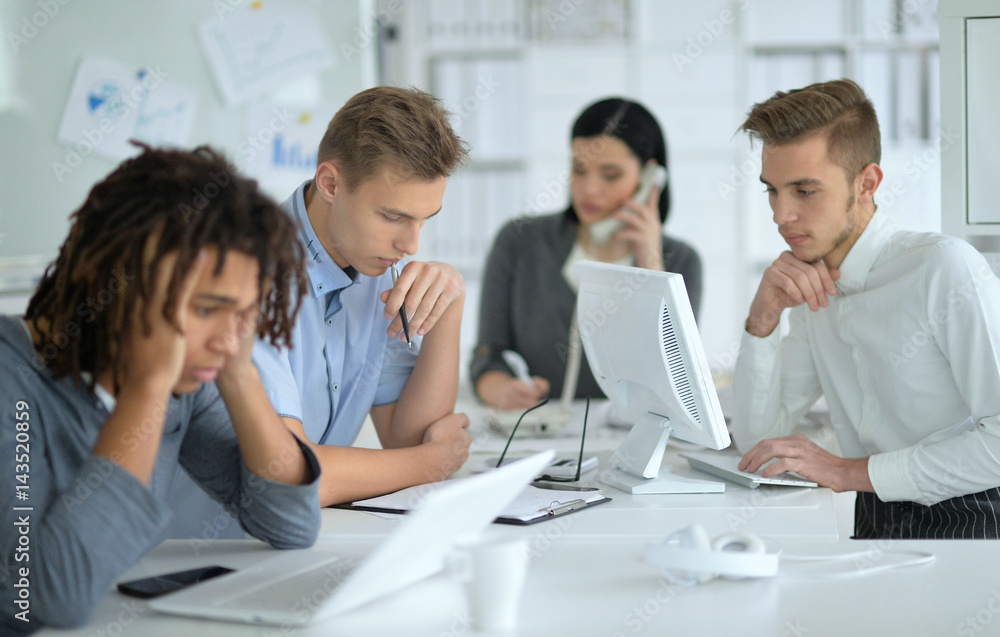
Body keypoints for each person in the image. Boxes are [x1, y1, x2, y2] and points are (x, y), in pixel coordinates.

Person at [0, 145, 321, 634]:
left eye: (244, 313)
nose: (228, 338)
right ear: (121, 285)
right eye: (208, 309)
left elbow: (291, 525)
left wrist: (237, 371)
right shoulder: (13, 384)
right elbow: (46, 600)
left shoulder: (189, 381)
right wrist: (148, 387)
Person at [731, 78, 1000, 539]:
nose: (780, 215)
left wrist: (846, 471)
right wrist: (763, 319)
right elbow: (759, 442)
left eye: (804, 191)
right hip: (874, 517)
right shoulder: (812, 287)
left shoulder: (942, 268)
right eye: (771, 191)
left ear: (867, 183)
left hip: (974, 518)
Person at [252, 86, 472, 506]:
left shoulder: (374, 269)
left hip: (303, 541)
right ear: (331, 183)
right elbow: (290, 478)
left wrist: (451, 303)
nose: (411, 245)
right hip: (207, 557)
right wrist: (433, 462)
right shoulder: (249, 276)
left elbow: (407, 436)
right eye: (394, 217)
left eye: (424, 221)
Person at [471, 97, 703, 410]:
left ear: (650, 177)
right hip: (538, 433)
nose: (589, 189)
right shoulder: (519, 241)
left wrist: (651, 263)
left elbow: (677, 382)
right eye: (579, 170)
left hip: (628, 439)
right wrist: (501, 389)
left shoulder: (681, 262)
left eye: (610, 175)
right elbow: (488, 355)